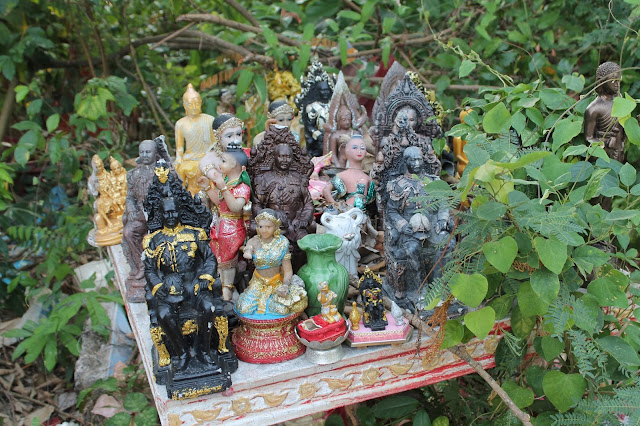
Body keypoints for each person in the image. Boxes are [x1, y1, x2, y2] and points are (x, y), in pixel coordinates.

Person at [385, 146, 453, 301]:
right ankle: (420, 288)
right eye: (412, 160)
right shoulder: (397, 185)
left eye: (419, 159)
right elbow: (391, 211)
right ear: (405, 161)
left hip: (433, 226)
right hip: (410, 230)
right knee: (412, 249)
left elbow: (443, 204)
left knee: (448, 243)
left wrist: (442, 219)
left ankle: (439, 286)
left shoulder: (433, 182)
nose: (417, 163)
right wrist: (403, 226)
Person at [197, 143, 251, 302]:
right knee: (217, 255)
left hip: (233, 228)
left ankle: (228, 286)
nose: (219, 164)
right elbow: (219, 203)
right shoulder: (226, 181)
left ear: (234, 165)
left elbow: (235, 207)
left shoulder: (242, 187)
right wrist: (208, 188)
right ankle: (219, 282)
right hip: (220, 224)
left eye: (224, 161)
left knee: (227, 257)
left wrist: (224, 189)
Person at [236, 209, 307, 317]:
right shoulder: (254, 241)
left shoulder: (282, 243)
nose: (264, 230)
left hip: (276, 282)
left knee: (281, 310)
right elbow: (247, 251)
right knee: (244, 309)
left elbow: (288, 271)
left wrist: (285, 286)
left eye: (268, 227)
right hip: (258, 283)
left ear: (275, 227)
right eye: (261, 227)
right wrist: (247, 251)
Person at [174, 83, 216, 195]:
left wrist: (210, 153)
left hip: (207, 156)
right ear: (185, 106)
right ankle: (182, 196)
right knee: (179, 169)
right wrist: (178, 159)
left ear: (201, 103)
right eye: (190, 104)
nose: (194, 107)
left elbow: (215, 142)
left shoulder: (210, 120)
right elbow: (179, 147)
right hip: (190, 158)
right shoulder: (180, 124)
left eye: (196, 103)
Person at [584, 62, 626, 162]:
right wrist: (605, 144)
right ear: (601, 81)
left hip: (619, 150)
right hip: (604, 154)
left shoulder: (620, 101)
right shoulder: (593, 109)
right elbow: (589, 139)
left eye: (619, 80)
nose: (617, 84)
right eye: (613, 81)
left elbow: (624, 129)